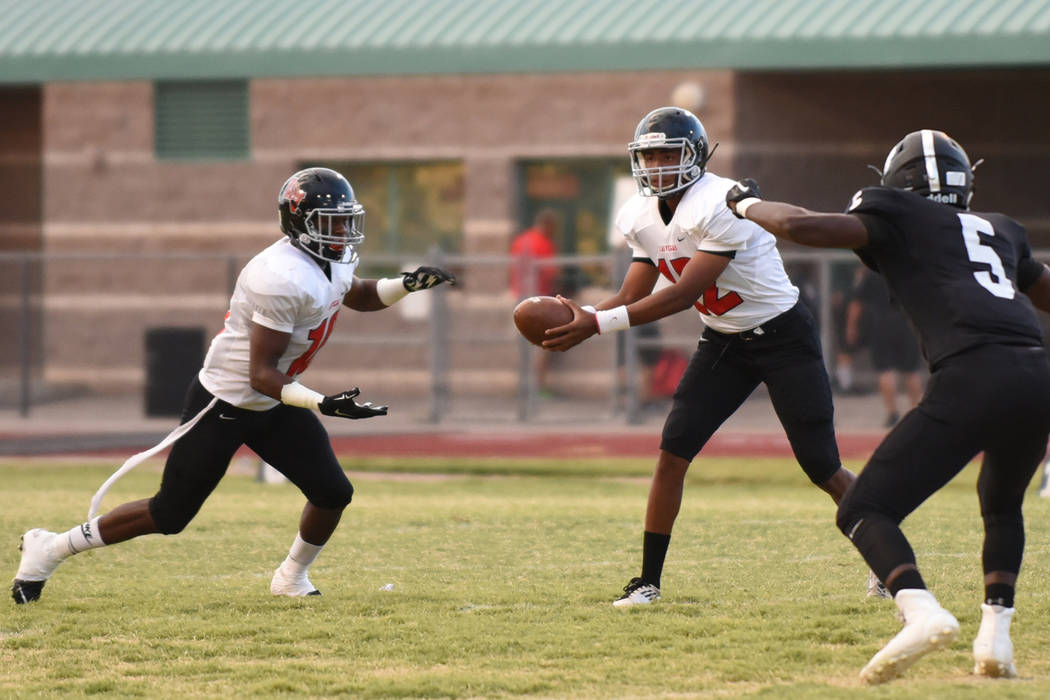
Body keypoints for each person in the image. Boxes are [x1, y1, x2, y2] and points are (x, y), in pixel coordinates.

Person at [11, 167, 455, 604]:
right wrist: (324, 404)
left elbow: (355, 292)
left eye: (345, 220)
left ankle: (291, 577)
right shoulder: (279, 276)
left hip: (274, 399)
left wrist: (406, 284)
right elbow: (258, 373)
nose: (342, 231)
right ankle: (50, 547)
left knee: (333, 492)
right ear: (299, 222)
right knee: (170, 513)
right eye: (331, 222)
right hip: (227, 400)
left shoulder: (329, 260)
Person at [725, 129, 1050, 683]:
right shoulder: (1002, 229)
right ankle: (995, 639)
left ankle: (920, 611)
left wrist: (745, 202)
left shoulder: (895, 210)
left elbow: (800, 226)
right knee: (1001, 505)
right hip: (1037, 373)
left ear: (896, 184)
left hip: (972, 372)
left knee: (862, 509)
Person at [543, 106, 858, 608]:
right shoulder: (639, 214)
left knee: (822, 466)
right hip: (724, 340)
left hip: (783, 337)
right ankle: (647, 581)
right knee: (672, 453)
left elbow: (681, 295)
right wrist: (583, 315)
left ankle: (887, 559)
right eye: (648, 155)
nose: (657, 164)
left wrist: (596, 325)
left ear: (695, 155)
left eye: (668, 153)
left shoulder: (721, 201)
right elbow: (633, 290)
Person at [847, 267, 923, 427]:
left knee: (885, 370)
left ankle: (892, 412)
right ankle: (917, 411)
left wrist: (852, 326)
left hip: (881, 325)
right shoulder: (907, 269)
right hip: (907, 323)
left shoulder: (873, 272)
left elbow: (856, 302)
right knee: (911, 370)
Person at [510, 209, 560, 394]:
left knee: (523, 346)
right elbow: (551, 273)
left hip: (518, 298)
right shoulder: (543, 243)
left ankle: (523, 387)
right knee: (543, 345)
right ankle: (539, 387)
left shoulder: (520, 240)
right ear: (548, 225)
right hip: (539, 300)